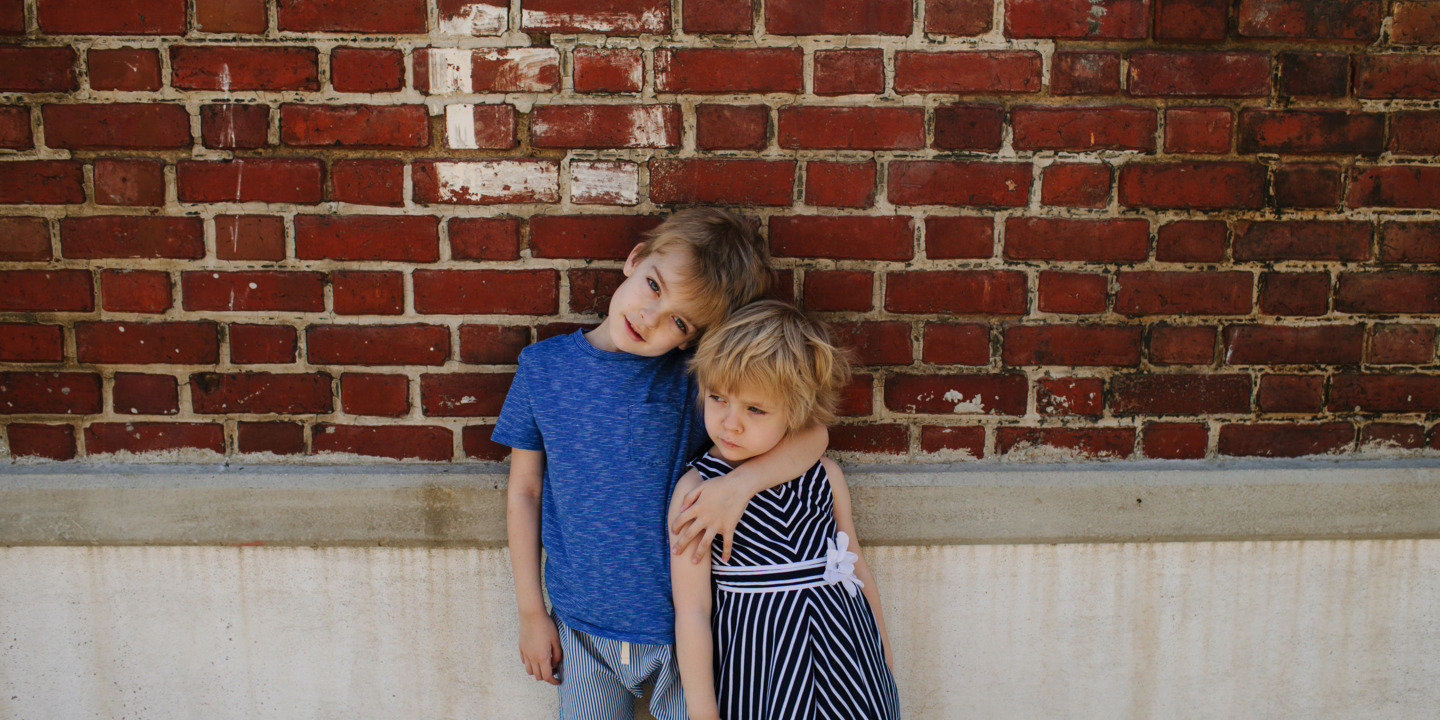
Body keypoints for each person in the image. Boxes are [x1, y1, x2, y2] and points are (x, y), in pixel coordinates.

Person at [493, 209, 827, 720]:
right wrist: (531, 612)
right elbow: (524, 492)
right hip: (583, 629)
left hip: (683, 636)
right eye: (654, 286)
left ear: (691, 338)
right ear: (634, 261)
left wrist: (739, 487)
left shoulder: (693, 382)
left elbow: (813, 436)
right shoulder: (544, 370)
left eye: (678, 320)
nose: (650, 317)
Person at [669, 300, 900, 720]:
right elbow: (693, 611)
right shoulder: (696, 491)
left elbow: (855, 565)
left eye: (755, 409)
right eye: (718, 398)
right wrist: (702, 710)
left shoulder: (823, 477)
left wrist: (881, 650)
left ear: (797, 412)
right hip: (762, 668)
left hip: (846, 658)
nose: (729, 423)